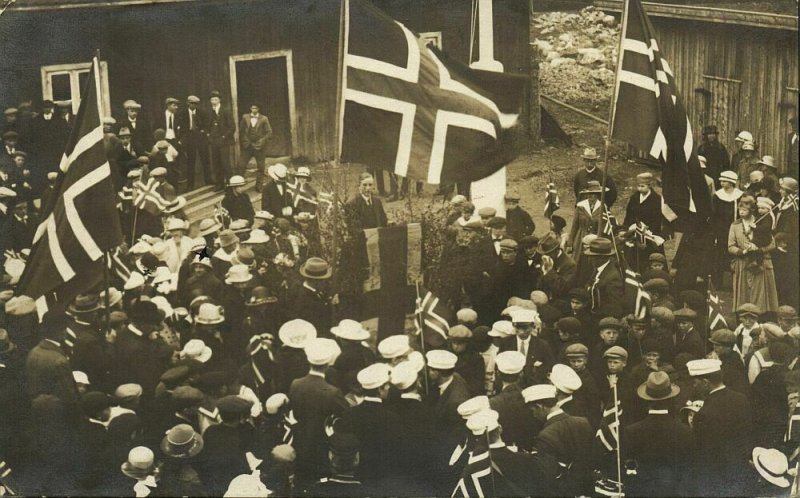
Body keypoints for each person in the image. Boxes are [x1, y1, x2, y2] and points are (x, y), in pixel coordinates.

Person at [688, 358, 753, 497]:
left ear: (705, 383)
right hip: (740, 472)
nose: (693, 387)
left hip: (715, 478)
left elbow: (701, 451)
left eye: (695, 383)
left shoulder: (704, 413)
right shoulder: (742, 399)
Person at [622, 371, 692, 497]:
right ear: (671, 399)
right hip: (674, 492)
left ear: (645, 401)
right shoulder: (685, 431)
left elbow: (629, 468)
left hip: (642, 492)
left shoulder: (631, 431)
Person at [289, 337, 348, 484]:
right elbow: (346, 415)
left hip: (299, 441)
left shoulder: (295, 384)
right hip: (322, 445)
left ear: (309, 362)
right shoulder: (332, 392)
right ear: (327, 364)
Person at [728, 201, 779, 313]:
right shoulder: (735, 225)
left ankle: (761, 317)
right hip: (742, 263)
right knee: (744, 294)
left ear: (751, 210)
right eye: (740, 209)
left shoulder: (761, 222)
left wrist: (760, 250)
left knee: (759, 293)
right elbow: (730, 246)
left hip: (761, 262)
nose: (741, 212)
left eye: (745, 209)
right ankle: (743, 317)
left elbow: (772, 243)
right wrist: (741, 251)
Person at [567, 180, 607, 256]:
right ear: (586, 194)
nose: (592, 196)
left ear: (598, 195)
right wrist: (570, 242)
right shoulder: (580, 206)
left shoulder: (602, 207)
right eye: (590, 194)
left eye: (595, 194)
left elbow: (604, 226)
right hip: (581, 237)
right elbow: (575, 225)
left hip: (596, 238)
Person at [179, 95, 210, 190]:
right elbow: (180, 127)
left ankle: (208, 180)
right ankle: (190, 185)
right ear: (188, 103)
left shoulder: (202, 113)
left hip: (200, 138)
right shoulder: (182, 113)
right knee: (190, 161)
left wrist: (203, 132)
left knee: (205, 160)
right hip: (189, 139)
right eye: (192, 103)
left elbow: (207, 124)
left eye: (196, 104)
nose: (194, 105)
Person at [206, 90, 235, 190]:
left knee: (225, 163)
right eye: (212, 99)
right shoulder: (210, 112)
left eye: (215, 99)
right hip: (214, 141)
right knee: (216, 163)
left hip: (223, 141)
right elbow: (207, 126)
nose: (213, 101)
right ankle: (219, 183)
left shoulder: (225, 111)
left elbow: (232, 127)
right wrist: (209, 135)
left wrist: (223, 137)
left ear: (219, 100)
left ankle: (230, 184)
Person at [238, 104, 272, 184]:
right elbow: (241, 131)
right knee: (241, 165)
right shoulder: (245, 117)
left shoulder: (264, 118)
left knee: (261, 167)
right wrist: (245, 141)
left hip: (259, 146)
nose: (253, 109)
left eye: (255, 108)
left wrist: (261, 141)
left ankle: (259, 185)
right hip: (247, 145)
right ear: (250, 108)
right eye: (252, 108)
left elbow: (269, 132)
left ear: (258, 109)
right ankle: (239, 182)